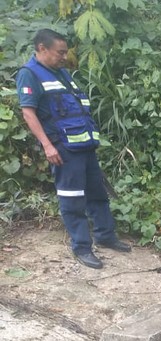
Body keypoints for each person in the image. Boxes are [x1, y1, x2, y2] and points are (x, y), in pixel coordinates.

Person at [16, 29, 130, 269]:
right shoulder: (29, 75)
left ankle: (105, 236)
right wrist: (47, 146)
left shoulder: (63, 74)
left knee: (98, 194)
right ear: (42, 48)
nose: (64, 56)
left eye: (65, 52)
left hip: (84, 145)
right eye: (60, 52)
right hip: (63, 149)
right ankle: (82, 248)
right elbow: (29, 113)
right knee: (73, 200)